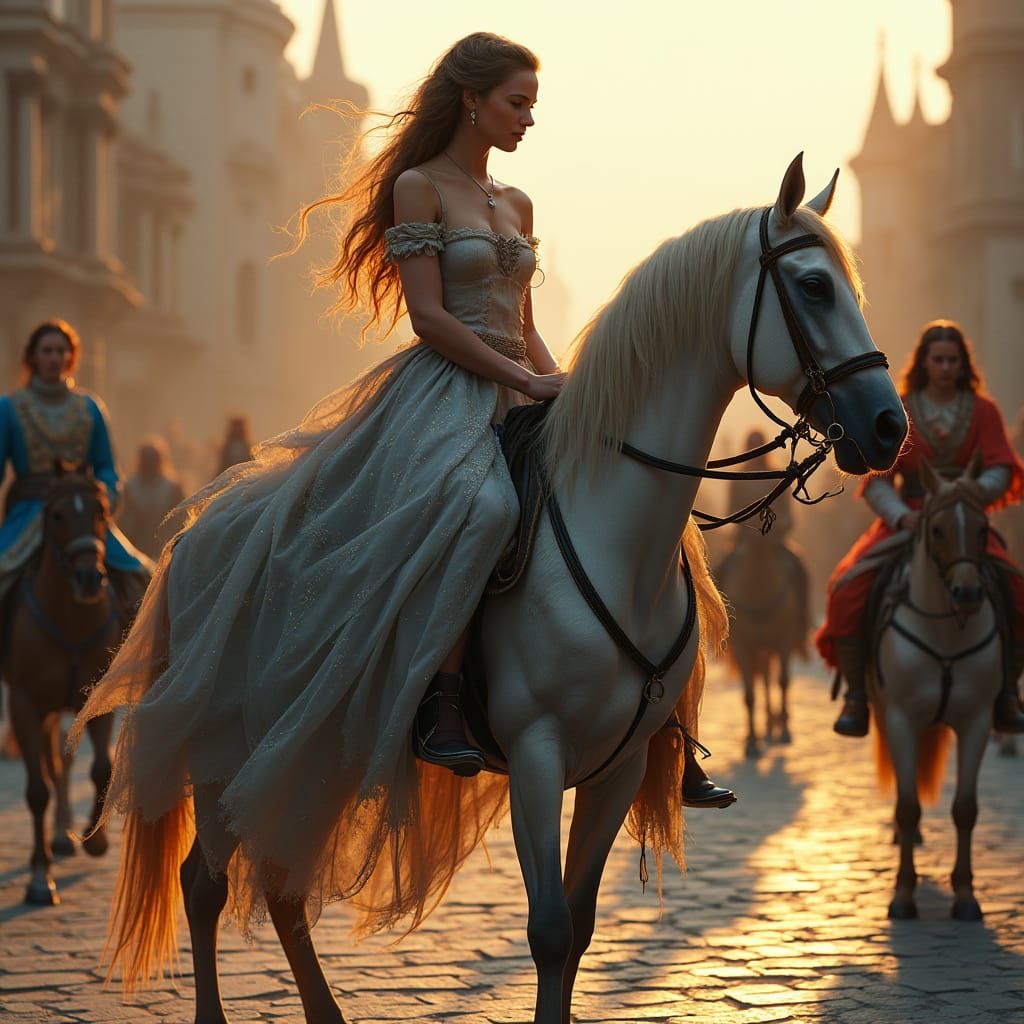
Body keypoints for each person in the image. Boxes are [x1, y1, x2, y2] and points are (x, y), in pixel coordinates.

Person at [817, 320, 1024, 737]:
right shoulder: (900, 406)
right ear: (924, 362)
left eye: (952, 360)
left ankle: (1006, 694)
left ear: (963, 364)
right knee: (846, 588)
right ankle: (857, 696)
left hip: (964, 522)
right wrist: (899, 514)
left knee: (1016, 589)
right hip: (908, 515)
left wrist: (974, 492)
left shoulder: (984, 411)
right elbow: (877, 476)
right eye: (938, 359)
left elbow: (1002, 467)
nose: (945, 367)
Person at [0, 320, 152, 633]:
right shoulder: (9, 408)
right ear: (33, 356)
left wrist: (103, 499)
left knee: (141, 579)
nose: (54, 358)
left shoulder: (90, 408)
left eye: (61, 351)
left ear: (71, 357)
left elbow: (107, 467)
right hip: (29, 513)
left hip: (83, 514)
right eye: (47, 351)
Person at [117, 437, 186, 559]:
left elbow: (181, 519)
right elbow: (123, 519)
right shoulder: (130, 487)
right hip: (136, 546)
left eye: (152, 460)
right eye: (146, 459)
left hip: (164, 546)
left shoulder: (172, 487)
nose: (149, 464)